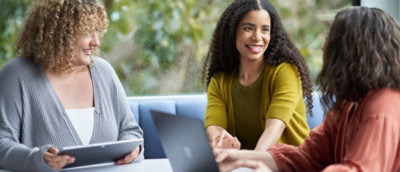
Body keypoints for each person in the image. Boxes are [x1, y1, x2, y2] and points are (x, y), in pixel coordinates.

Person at [214, 6, 400, 171]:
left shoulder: (382, 108)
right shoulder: (348, 103)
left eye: (331, 41)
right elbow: (307, 157)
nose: (323, 47)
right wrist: (238, 157)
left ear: (353, 52)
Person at [0, 0, 144, 171]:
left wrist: (133, 150)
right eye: (87, 32)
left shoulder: (104, 72)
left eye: (96, 32)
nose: (96, 41)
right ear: (60, 33)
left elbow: (131, 131)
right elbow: (2, 142)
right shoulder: (17, 74)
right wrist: (36, 159)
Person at [202, 0, 313, 151]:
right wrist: (221, 139)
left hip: (294, 163)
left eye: (265, 30)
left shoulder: (285, 72)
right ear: (232, 32)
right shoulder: (219, 81)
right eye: (248, 28)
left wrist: (250, 160)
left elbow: (275, 128)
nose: (257, 37)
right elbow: (214, 125)